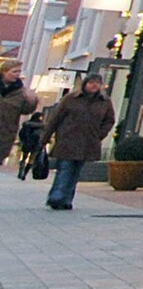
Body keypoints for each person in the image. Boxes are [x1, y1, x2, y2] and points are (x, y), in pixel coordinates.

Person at [41, 75, 114, 210]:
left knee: (75, 171)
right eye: (91, 82)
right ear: (85, 84)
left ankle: (66, 199)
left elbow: (109, 120)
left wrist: (99, 134)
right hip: (68, 140)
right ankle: (57, 197)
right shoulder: (71, 99)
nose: (94, 86)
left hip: (88, 142)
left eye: (98, 83)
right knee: (65, 168)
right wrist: (45, 138)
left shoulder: (104, 102)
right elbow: (56, 118)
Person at [1, 62, 38, 179]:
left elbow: (26, 111)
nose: (17, 74)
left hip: (4, 134)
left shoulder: (21, 92)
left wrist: (32, 100)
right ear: (4, 71)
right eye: (14, 71)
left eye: (19, 72)